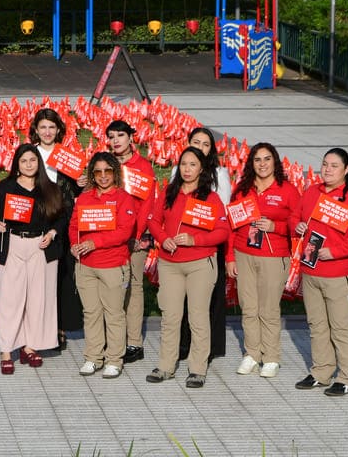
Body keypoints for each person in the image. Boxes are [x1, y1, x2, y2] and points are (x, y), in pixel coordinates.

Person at [294, 148, 348, 397]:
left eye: (334, 166)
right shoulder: (312, 192)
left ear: (346, 170)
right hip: (312, 271)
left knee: (341, 328)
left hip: (343, 273)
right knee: (317, 325)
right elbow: (296, 216)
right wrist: (295, 225)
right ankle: (321, 371)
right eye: (325, 164)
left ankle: (347, 378)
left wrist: (336, 251)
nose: (328, 169)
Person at [145, 147, 230, 388]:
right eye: (183, 164)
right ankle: (166, 366)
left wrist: (196, 240)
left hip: (200, 264)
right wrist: (163, 237)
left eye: (193, 164)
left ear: (202, 169)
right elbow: (153, 219)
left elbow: (222, 231)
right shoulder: (169, 193)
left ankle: (197, 369)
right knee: (170, 317)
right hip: (170, 263)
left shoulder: (210, 198)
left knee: (198, 316)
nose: (187, 169)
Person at [0, 144, 68, 374]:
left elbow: (61, 218)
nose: (29, 165)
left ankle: (30, 346)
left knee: (38, 298)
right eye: (24, 161)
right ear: (17, 164)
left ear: (38, 163)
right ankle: (7, 349)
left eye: (33, 160)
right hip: (13, 244)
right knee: (10, 299)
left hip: (40, 247)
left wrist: (52, 233)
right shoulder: (6, 186)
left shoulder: (49, 189)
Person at [227, 142, 301, 379]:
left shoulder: (287, 190)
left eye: (267, 159)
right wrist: (230, 257)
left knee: (268, 309)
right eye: (257, 160)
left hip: (273, 256)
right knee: (249, 309)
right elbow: (232, 224)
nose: (262, 164)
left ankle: (271, 357)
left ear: (275, 161)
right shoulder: (242, 189)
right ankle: (252, 354)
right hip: (244, 253)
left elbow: (296, 225)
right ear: (251, 163)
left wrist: (275, 227)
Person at [69, 152, 138, 379]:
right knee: (91, 313)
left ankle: (114, 359)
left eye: (107, 171)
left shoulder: (123, 199)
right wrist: (75, 244)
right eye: (97, 172)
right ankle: (93, 357)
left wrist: (94, 242)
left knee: (114, 314)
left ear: (115, 172)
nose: (103, 176)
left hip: (112, 264)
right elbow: (74, 226)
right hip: (86, 265)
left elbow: (123, 232)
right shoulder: (86, 197)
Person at [28, 108, 83, 351]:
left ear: (58, 129)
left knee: (62, 273)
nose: (48, 132)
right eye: (43, 127)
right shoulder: (30, 154)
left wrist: (82, 182)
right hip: (37, 219)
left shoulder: (66, 156)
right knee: (38, 276)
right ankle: (39, 327)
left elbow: (76, 189)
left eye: (52, 127)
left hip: (64, 219)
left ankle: (60, 326)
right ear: (36, 130)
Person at [104, 119, 154, 365]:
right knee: (111, 287)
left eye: (120, 135)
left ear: (131, 138)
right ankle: (113, 338)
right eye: (111, 136)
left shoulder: (142, 165)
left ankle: (134, 342)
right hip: (109, 235)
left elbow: (147, 205)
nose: (116, 140)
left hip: (134, 238)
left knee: (133, 287)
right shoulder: (105, 163)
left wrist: (137, 234)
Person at [180, 127, 231, 362]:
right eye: (195, 142)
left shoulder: (219, 173)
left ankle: (207, 348)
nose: (200, 147)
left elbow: (223, 209)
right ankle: (184, 344)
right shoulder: (179, 169)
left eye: (205, 144)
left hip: (208, 242)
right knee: (183, 298)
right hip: (182, 244)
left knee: (208, 298)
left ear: (211, 149)